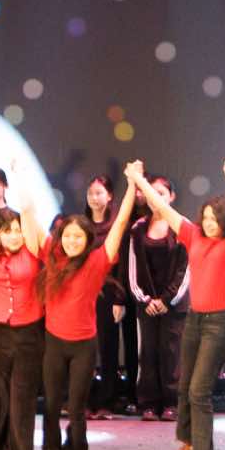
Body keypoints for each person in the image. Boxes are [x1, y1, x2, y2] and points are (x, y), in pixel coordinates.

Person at [128, 160, 225, 450]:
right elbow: (163, 208)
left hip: (221, 323)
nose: (208, 223)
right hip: (195, 319)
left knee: (199, 391)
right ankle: (190, 440)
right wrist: (138, 179)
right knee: (184, 386)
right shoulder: (193, 235)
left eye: (214, 219)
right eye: (205, 217)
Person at [36, 168, 139, 450]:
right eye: (67, 236)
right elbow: (28, 219)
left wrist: (133, 185)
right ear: (60, 238)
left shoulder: (97, 261)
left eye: (78, 237)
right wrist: (16, 173)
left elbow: (119, 224)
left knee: (77, 410)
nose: (72, 241)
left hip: (83, 346)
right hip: (54, 344)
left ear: (87, 240)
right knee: (51, 407)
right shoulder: (52, 257)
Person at [0, 149, 50, 450]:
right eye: (7, 231)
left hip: (28, 333)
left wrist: (19, 174)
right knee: (0, 398)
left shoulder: (32, 250)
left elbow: (30, 210)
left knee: (21, 399)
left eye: (17, 231)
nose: (13, 235)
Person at [126, 176, 189, 421]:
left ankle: (172, 403)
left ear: (171, 196)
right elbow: (133, 270)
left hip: (174, 305)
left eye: (161, 193)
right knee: (148, 353)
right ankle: (149, 404)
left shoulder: (182, 226)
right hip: (147, 306)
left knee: (171, 353)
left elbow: (186, 270)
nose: (155, 198)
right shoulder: (138, 228)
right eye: (151, 193)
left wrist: (167, 299)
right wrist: (145, 300)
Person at [81, 176, 137, 419]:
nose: (94, 198)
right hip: (84, 295)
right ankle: (84, 400)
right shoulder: (81, 226)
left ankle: (107, 400)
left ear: (110, 196)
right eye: (90, 193)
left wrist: (119, 298)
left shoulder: (117, 227)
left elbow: (123, 266)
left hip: (109, 294)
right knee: (84, 349)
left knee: (108, 348)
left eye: (99, 193)